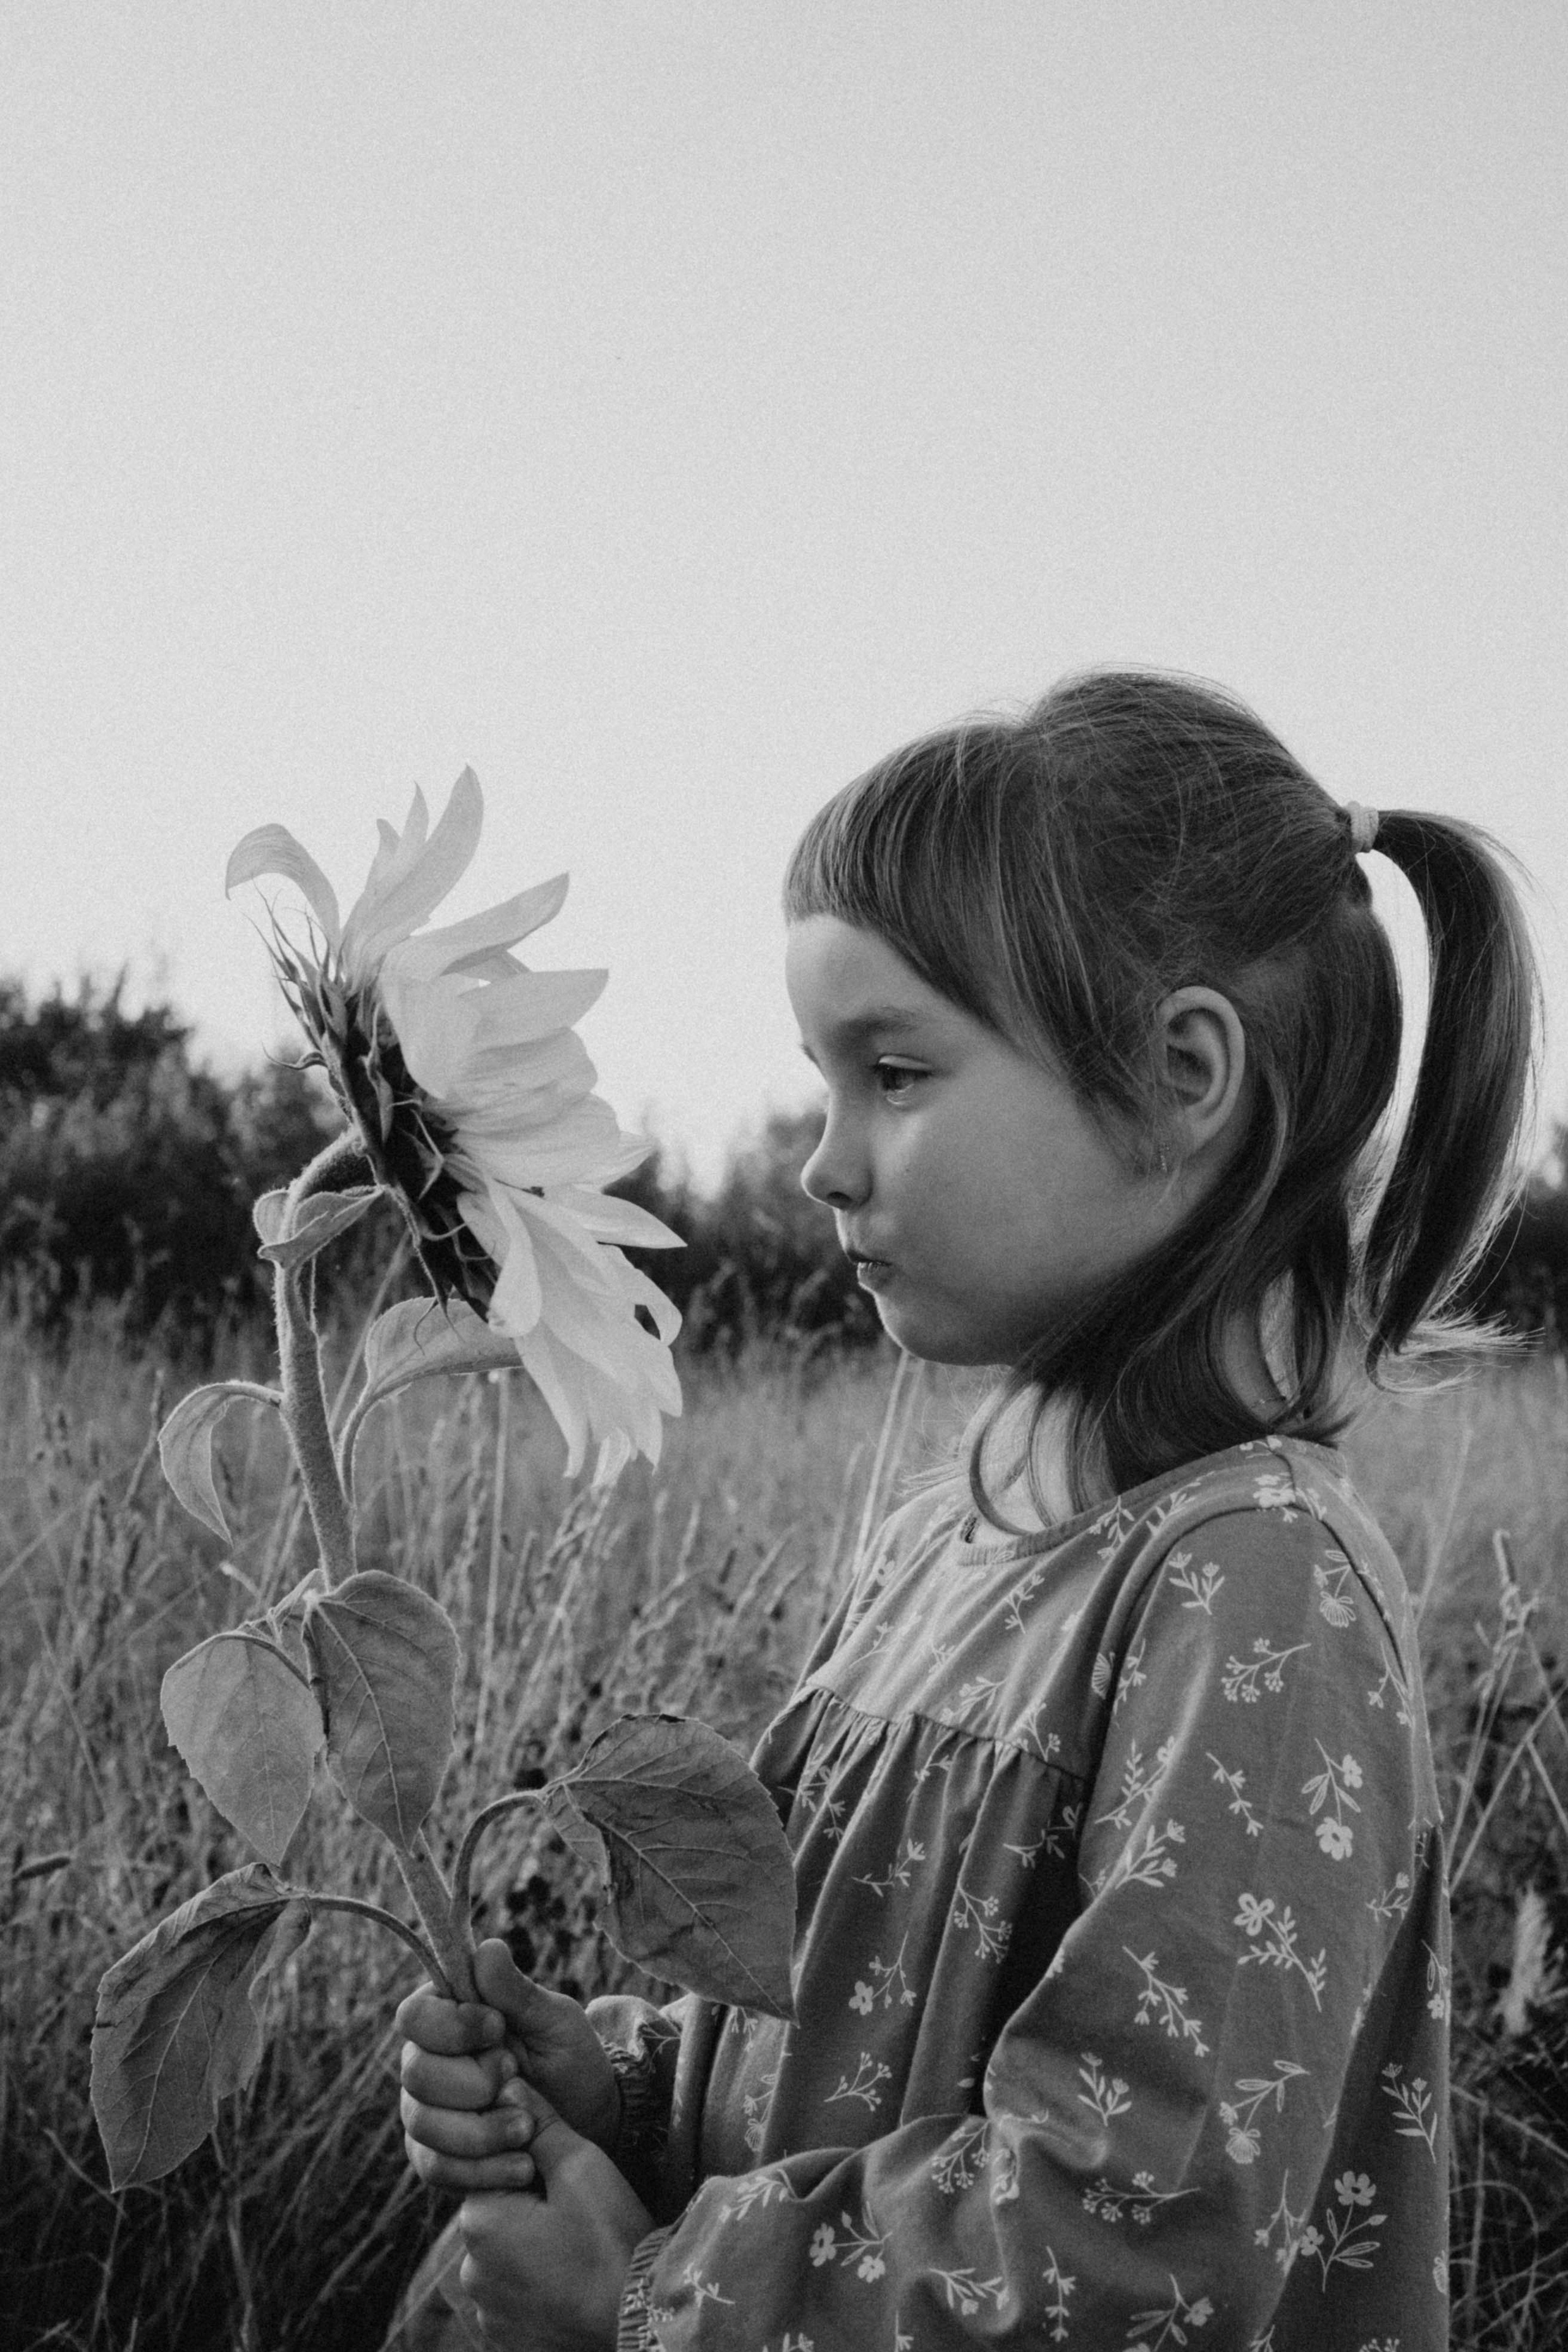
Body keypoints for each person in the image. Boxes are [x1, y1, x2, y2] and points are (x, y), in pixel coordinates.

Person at [389, 670, 1539, 2351]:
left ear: (1179, 1076)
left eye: (899, 1072)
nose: (825, 1162)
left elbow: (1136, 2233)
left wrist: (651, 2292)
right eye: (823, 1075)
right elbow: (841, 2045)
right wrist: (622, 2081)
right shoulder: (951, 1535)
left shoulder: (1254, 1592)